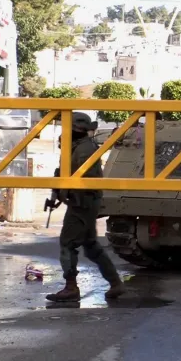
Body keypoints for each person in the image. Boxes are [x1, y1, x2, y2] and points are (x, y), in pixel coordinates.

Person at [46, 112, 126, 303]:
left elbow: (79, 178)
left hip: (82, 202)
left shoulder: (83, 150)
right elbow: (63, 172)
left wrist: (63, 193)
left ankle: (71, 288)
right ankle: (115, 283)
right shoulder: (77, 147)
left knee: (68, 243)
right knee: (90, 245)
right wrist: (57, 194)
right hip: (84, 201)